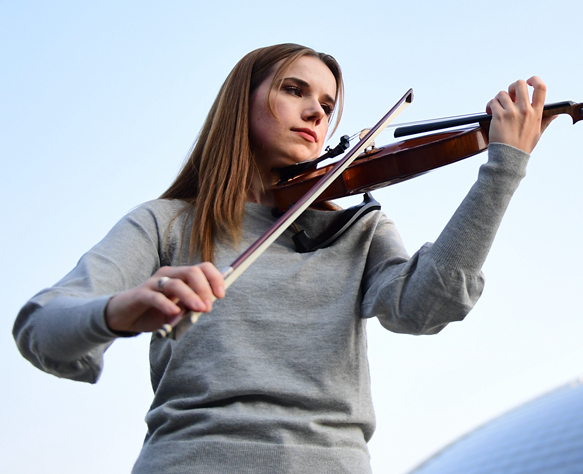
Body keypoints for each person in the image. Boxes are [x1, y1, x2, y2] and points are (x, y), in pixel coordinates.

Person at [13, 43, 553, 473]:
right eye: (295, 90)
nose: (316, 112)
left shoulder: (356, 226)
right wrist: (119, 310)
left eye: (326, 105)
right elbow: (42, 327)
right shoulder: (167, 222)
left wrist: (504, 166)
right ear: (240, 103)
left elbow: (426, 306)